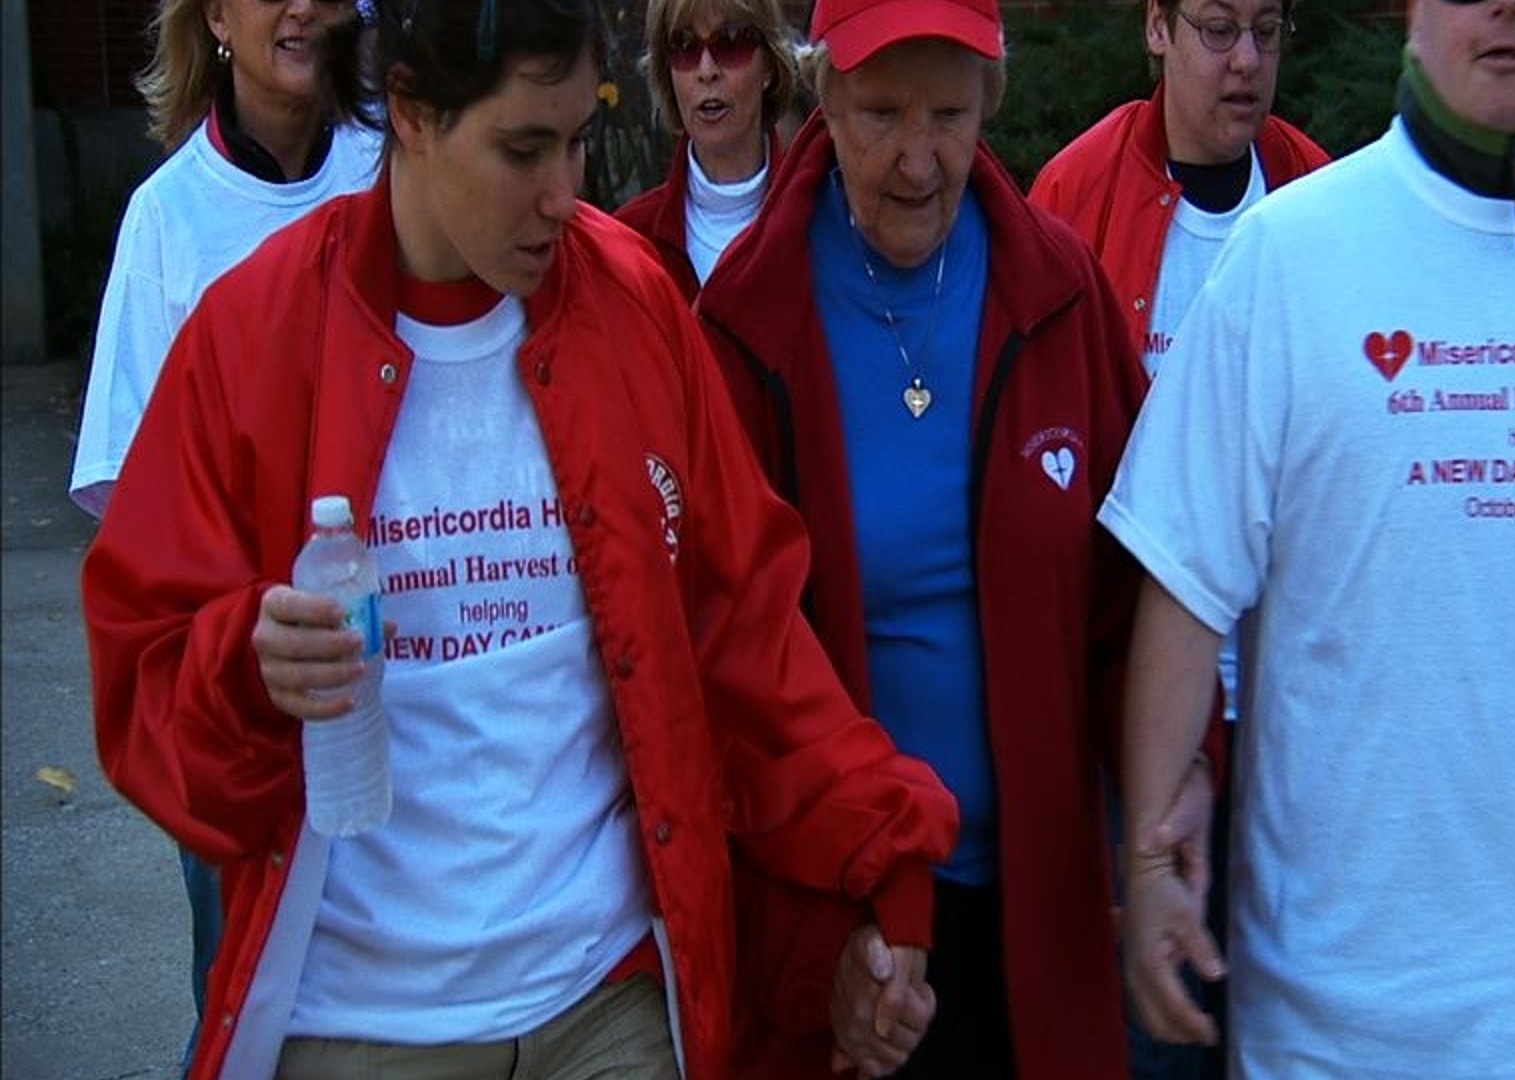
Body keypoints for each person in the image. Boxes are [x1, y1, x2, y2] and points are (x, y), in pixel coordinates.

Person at [80, 0, 958, 1073]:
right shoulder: (250, 335)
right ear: (408, 114)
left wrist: (885, 864)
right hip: (361, 1016)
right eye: (522, 148)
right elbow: (143, 681)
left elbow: (751, 637)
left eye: (580, 139)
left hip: (608, 997)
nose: (565, 193)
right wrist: (244, 666)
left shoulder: (633, 304)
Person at [1102, 0, 1515, 1077]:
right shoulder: (1288, 259)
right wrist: (1146, 865)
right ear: (1414, 12)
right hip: (1332, 1017)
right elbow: (1183, 581)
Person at [693, 0, 1171, 1075]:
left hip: (1040, 907)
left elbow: (1136, 598)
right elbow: (726, 671)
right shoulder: (744, 324)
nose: (918, 159)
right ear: (819, 98)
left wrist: (1165, 809)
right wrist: (825, 946)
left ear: (992, 102)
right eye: (880, 114)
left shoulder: (1058, 290)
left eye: (950, 113)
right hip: (840, 922)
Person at [66, 0, 382, 1060]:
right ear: (212, 17)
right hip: (244, 690)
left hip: (400, 662)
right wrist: (228, 645)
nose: (301, 7)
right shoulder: (168, 219)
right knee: (247, 994)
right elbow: (129, 501)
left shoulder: (397, 177)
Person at [1029, 4, 1328, 1075]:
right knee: (1160, 1026)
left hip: (1296, 708)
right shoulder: (1072, 196)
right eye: (1214, 27)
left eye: (1266, 30)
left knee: (1291, 1019)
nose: (1245, 61)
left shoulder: (1318, 202)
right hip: (1144, 707)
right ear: (1155, 29)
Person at [611, 0, 798, 300]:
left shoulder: (822, 225)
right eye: (684, 45)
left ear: (769, 67)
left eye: (731, 42)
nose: (706, 70)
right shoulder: (627, 242)